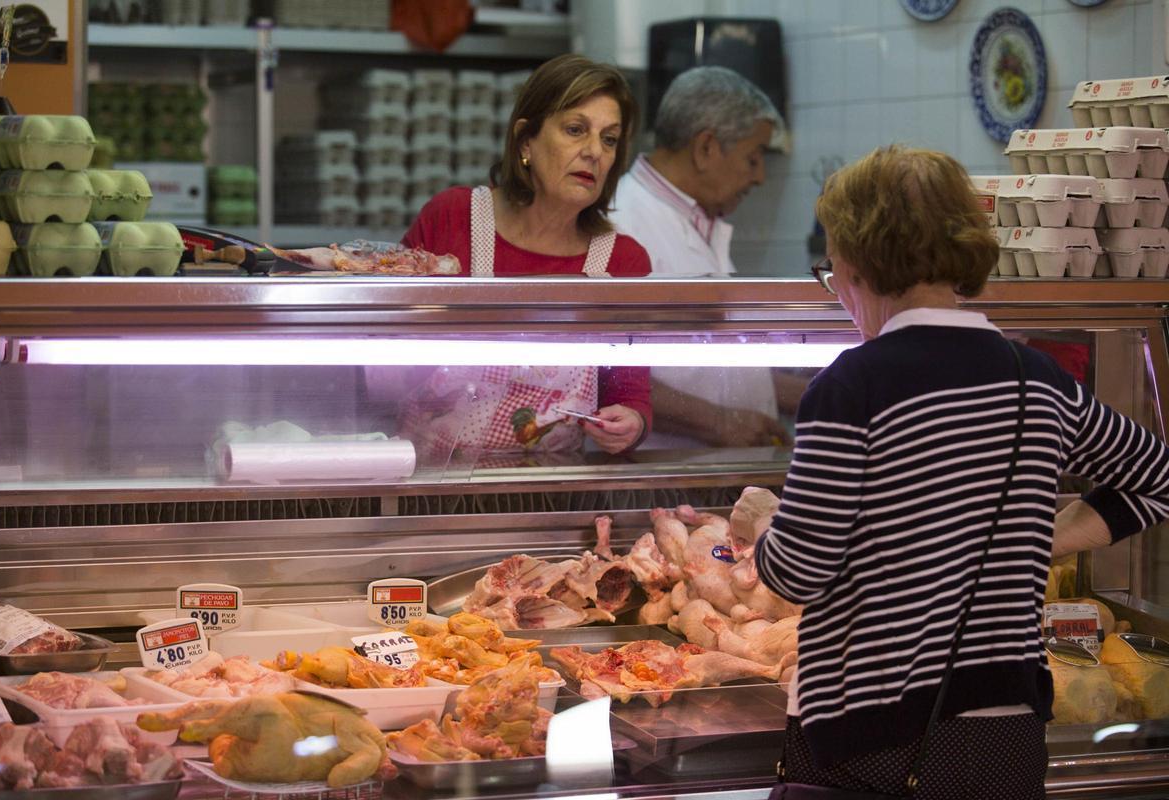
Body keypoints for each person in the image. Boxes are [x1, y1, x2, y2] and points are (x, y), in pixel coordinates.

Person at [735, 144, 1169, 799]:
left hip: (874, 740)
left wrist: (766, 523)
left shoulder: (852, 386)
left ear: (855, 262)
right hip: (1007, 737)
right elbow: (1157, 475)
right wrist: (1039, 538)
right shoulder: (1035, 379)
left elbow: (800, 571)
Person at [400, 54, 650, 456]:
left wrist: (631, 424)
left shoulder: (622, 262)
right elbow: (388, 351)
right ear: (525, 140)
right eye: (575, 130)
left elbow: (630, 395)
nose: (594, 152)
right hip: (429, 488)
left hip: (547, 501)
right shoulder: (453, 219)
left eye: (609, 139)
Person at [608, 65, 791, 449]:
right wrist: (717, 422)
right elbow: (604, 373)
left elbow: (710, 365)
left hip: (708, 473)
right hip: (654, 477)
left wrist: (822, 392)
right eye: (753, 157)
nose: (759, 177)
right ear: (706, 148)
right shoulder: (620, 222)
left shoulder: (696, 220)